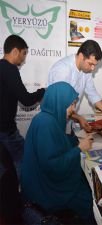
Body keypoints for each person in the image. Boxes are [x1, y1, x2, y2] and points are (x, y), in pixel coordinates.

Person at [21, 82, 95, 223]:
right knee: (87, 197)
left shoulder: (48, 117)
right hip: (44, 188)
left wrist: (76, 141)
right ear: (59, 101)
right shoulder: (46, 124)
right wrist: (79, 148)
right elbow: (54, 166)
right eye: (71, 104)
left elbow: (58, 141)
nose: (73, 110)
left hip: (40, 178)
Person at [48, 39, 102, 133]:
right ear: (81, 56)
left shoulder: (86, 71)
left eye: (95, 65)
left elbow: (93, 94)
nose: (93, 68)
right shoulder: (62, 69)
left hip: (67, 119)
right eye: (91, 64)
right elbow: (59, 104)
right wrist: (79, 118)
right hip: (52, 120)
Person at [0, 35, 45, 178]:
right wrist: (43, 91)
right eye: (24, 53)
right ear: (15, 51)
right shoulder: (10, 70)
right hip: (6, 130)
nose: (24, 59)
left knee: (4, 165)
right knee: (25, 161)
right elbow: (26, 100)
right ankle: (26, 195)